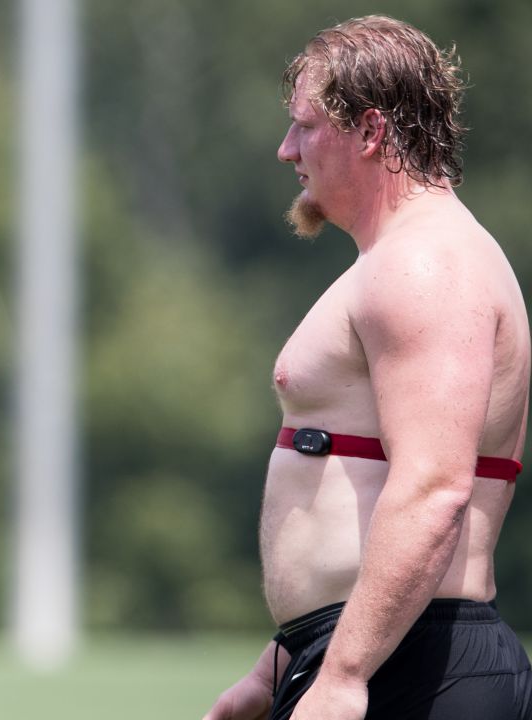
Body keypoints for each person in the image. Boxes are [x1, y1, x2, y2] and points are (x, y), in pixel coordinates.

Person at [203, 15, 532, 720]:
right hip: (382, 655)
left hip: (410, 669)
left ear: (372, 131)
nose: (286, 150)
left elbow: (434, 487)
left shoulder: (425, 263)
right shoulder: (402, 260)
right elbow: (366, 488)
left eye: (306, 127)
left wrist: (346, 674)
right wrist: (280, 668)